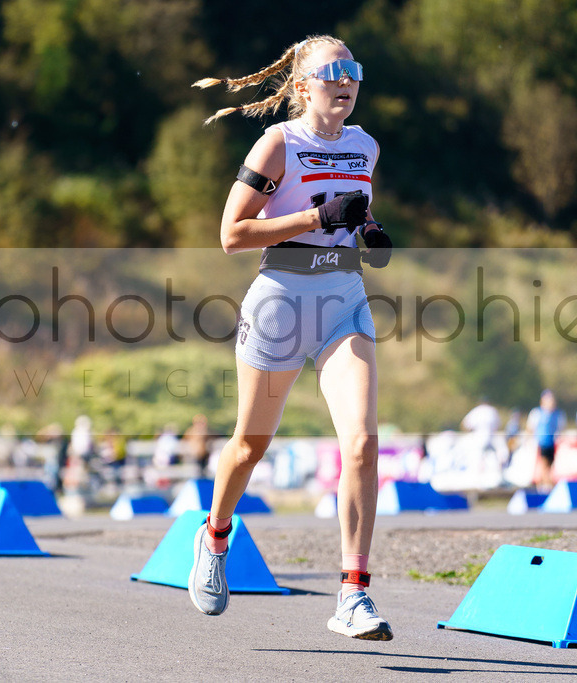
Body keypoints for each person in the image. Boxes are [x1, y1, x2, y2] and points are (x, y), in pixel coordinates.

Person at [188, 35, 393, 640]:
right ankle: (214, 536)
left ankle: (353, 595)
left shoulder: (365, 146)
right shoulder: (279, 143)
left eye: (354, 68)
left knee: (360, 445)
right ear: (304, 85)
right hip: (279, 300)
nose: (347, 78)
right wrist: (312, 221)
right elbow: (232, 234)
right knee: (250, 446)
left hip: (343, 301)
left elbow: (355, 210)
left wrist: (371, 232)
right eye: (333, 70)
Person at [526, 389, 565, 491]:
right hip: (541, 443)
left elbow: (560, 429)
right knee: (543, 466)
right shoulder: (537, 413)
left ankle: (546, 486)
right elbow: (530, 428)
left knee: (549, 466)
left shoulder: (557, 414)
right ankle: (547, 487)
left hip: (552, 444)